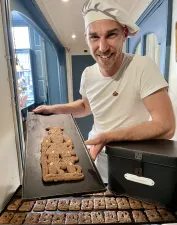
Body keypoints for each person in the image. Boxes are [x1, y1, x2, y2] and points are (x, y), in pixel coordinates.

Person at [33, 0, 175, 183]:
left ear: (124, 34)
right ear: (86, 38)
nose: (102, 47)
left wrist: (108, 137)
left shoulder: (142, 67)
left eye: (111, 35)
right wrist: (55, 109)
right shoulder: (88, 74)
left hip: (133, 161)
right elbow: (86, 106)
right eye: (94, 37)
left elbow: (166, 125)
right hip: (96, 156)